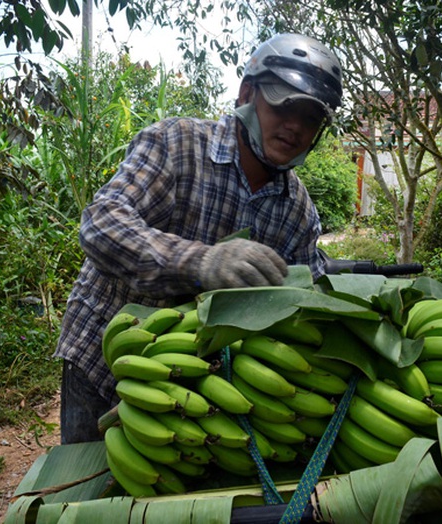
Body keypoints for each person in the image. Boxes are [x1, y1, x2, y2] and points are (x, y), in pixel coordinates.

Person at [54, 32, 344, 444]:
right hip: (103, 358)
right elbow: (102, 224)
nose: (295, 126)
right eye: (284, 104)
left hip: (197, 386)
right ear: (248, 93)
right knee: (85, 495)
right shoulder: (177, 144)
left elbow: (300, 303)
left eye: (311, 117)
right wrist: (199, 263)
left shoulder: (296, 210)